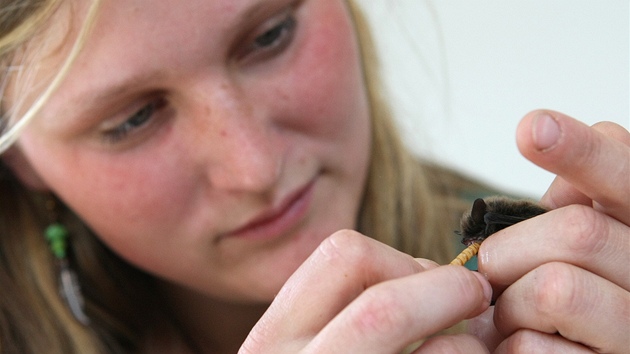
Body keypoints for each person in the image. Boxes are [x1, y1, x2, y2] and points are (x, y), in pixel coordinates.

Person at [0, 0, 627, 353]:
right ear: (18, 157)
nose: (255, 166)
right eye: (133, 118)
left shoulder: (558, 283)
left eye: (270, 35)